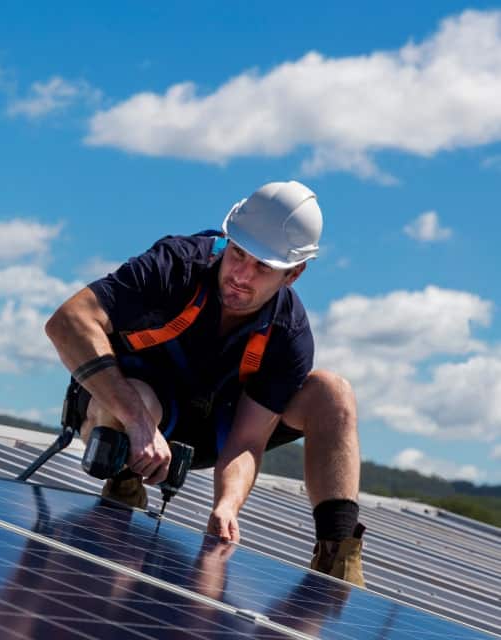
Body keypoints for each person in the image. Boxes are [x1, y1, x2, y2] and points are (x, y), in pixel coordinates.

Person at [45, 180, 365, 587]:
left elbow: (248, 440)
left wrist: (227, 506)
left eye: (262, 267)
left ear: (294, 274)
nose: (241, 276)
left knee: (332, 393)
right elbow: (67, 321)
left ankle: (337, 563)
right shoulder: (175, 265)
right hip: (130, 413)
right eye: (238, 254)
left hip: (214, 432)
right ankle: (123, 486)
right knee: (140, 401)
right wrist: (139, 423)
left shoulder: (288, 334)